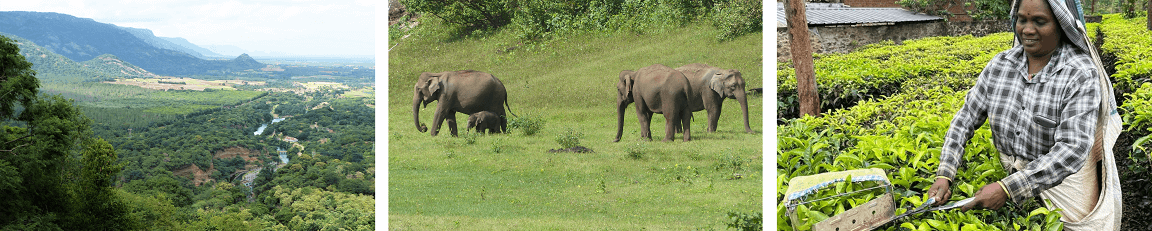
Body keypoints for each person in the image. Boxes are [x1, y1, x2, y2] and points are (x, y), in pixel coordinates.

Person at [926, 0, 1119, 228]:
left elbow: (1072, 149)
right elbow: (964, 119)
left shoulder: (1080, 73)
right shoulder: (1000, 65)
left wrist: (1008, 188)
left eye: (1039, 21)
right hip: (1011, 177)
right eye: (1022, 19)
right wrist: (945, 174)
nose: (1027, 29)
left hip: (1064, 184)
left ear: (1060, 24)